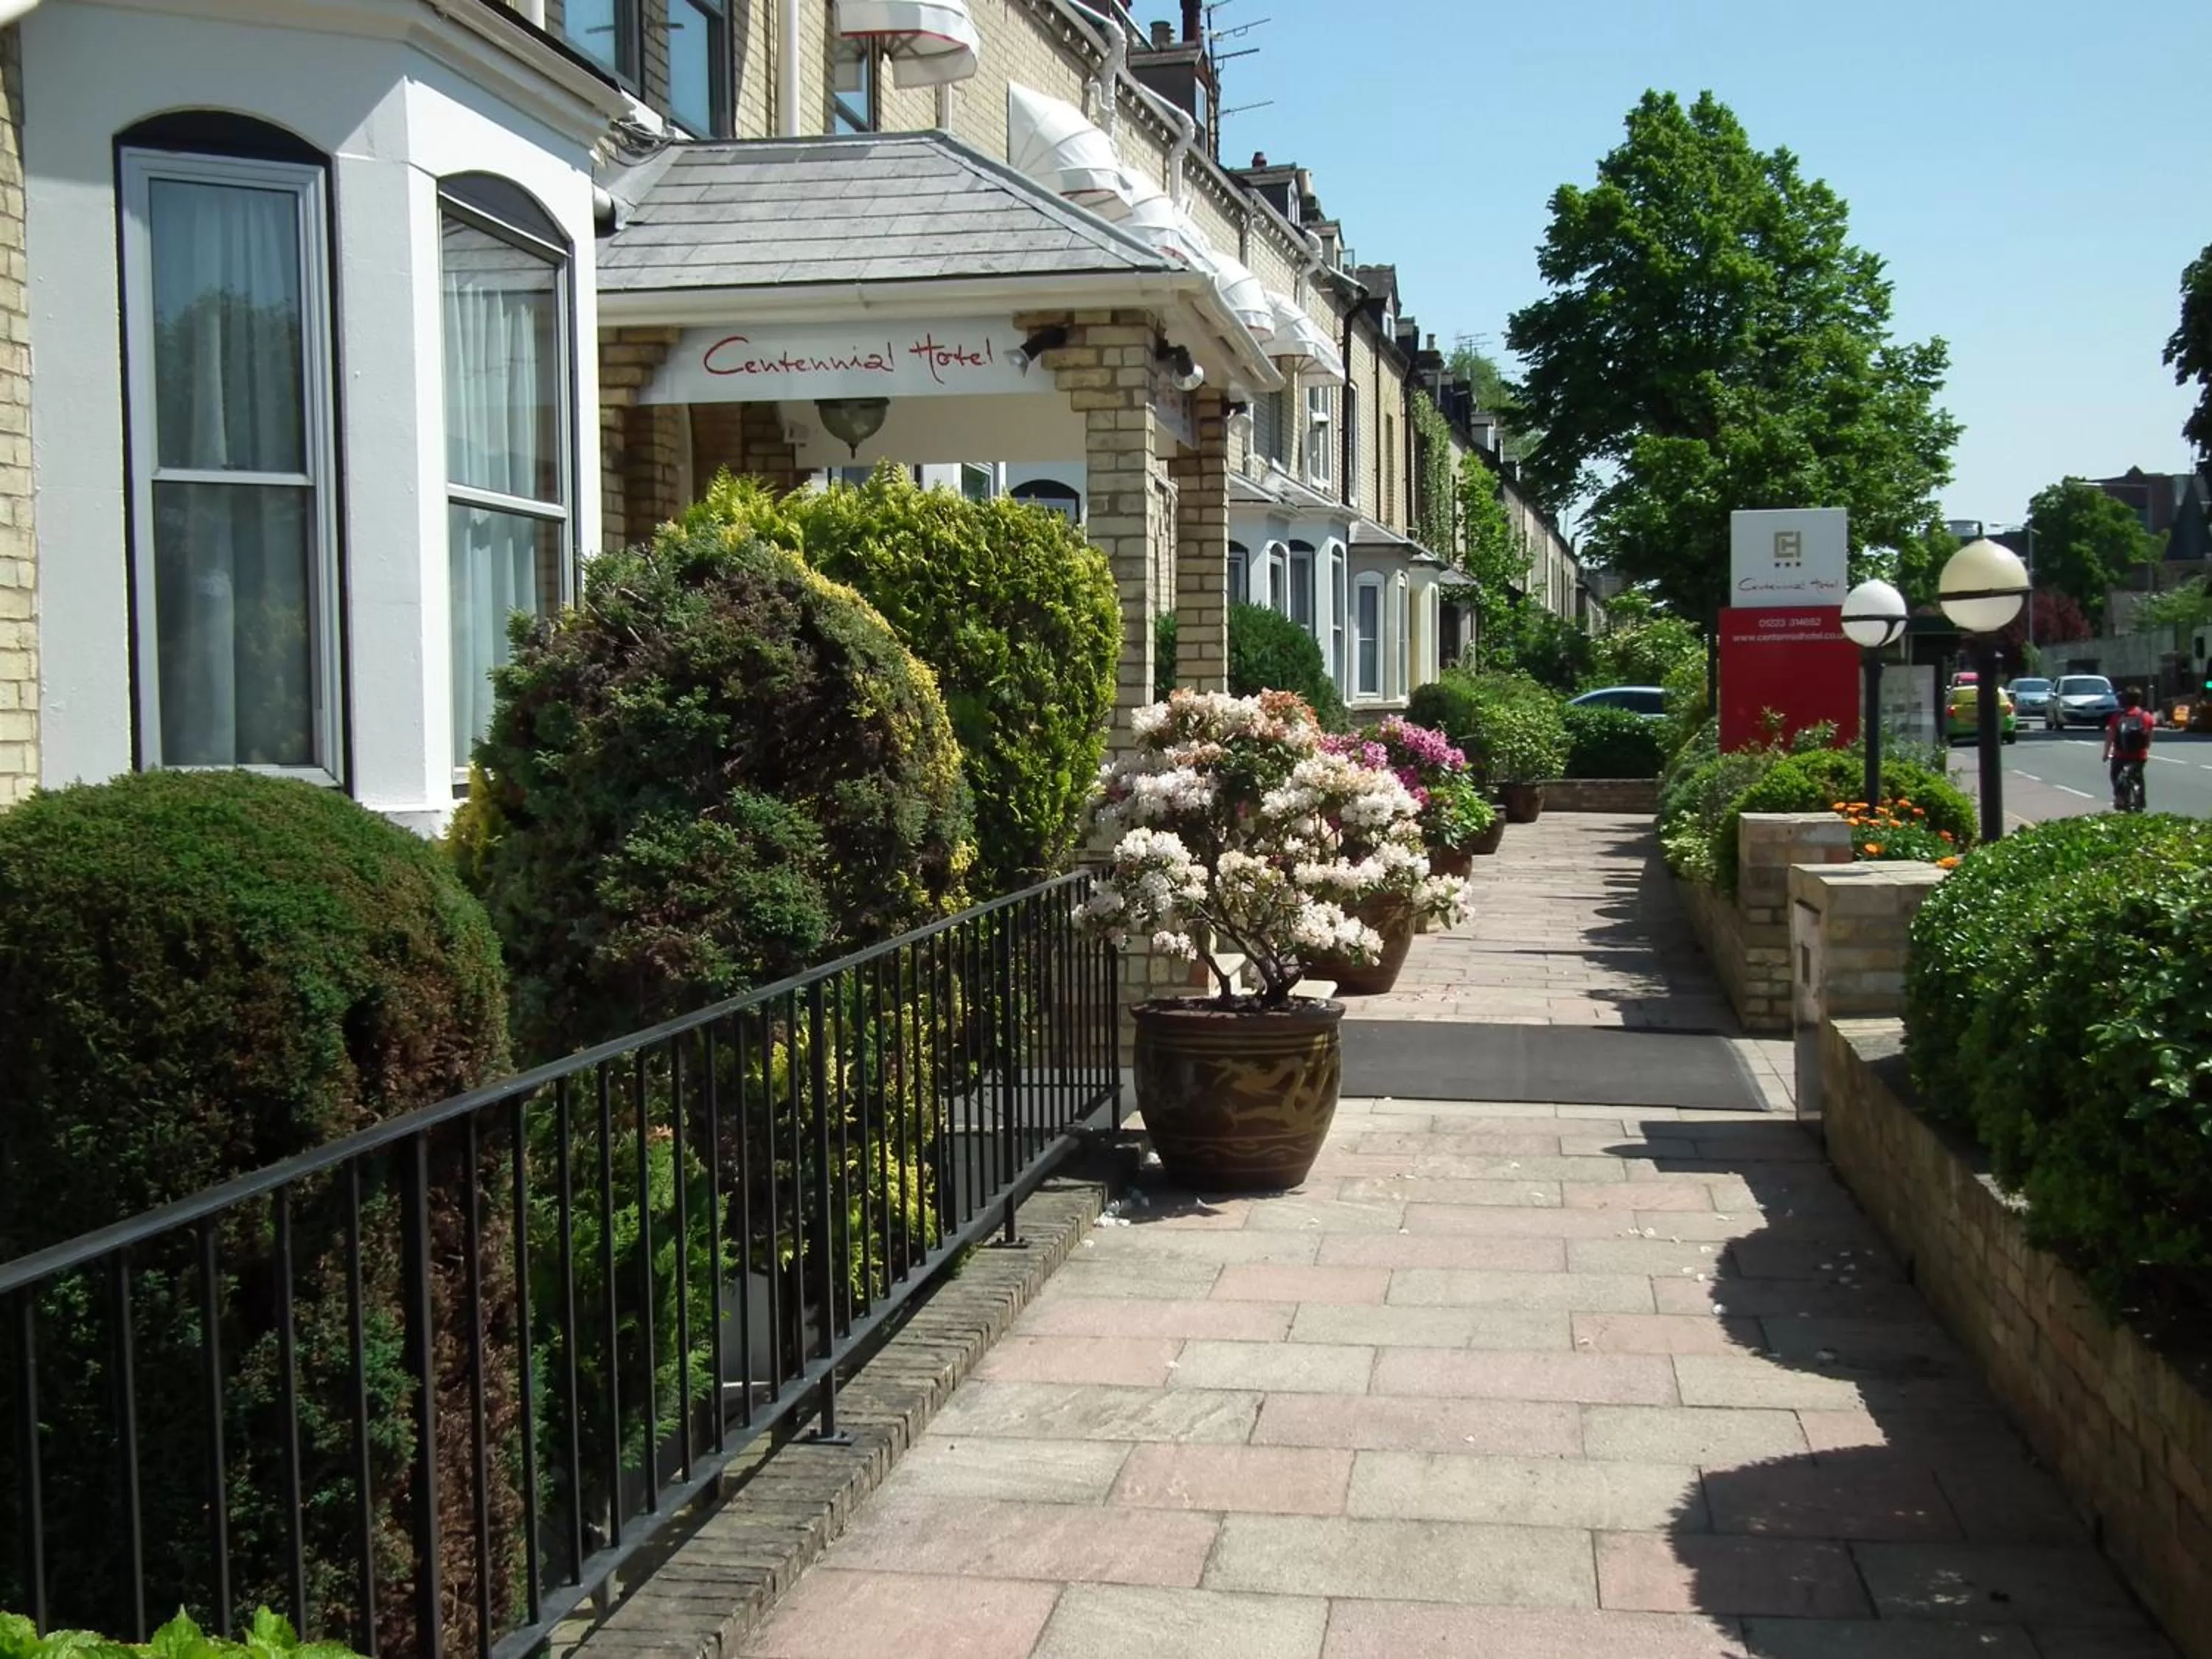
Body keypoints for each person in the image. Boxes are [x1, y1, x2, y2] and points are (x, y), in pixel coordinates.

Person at [2104, 687, 2154, 811]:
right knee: (2138, 777)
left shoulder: (2118, 716)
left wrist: (2106, 753)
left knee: (2115, 774)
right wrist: (2146, 749)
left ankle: (2120, 798)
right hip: (2139, 755)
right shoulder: (2146, 716)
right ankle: (2140, 802)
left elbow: (2111, 736)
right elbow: (2149, 737)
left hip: (2120, 754)